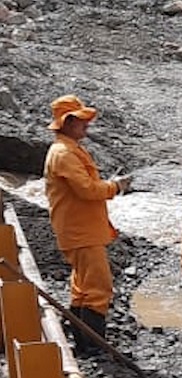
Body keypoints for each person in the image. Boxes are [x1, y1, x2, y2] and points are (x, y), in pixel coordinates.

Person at [43, 94, 133, 356]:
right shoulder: (64, 154)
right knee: (98, 287)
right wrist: (115, 186)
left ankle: (83, 342)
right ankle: (92, 344)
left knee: (83, 287)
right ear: (68, 122)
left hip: (80, 229)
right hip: (81, 232)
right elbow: (86, 190)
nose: (86, 125)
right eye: (82, 120)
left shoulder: (67, 149)